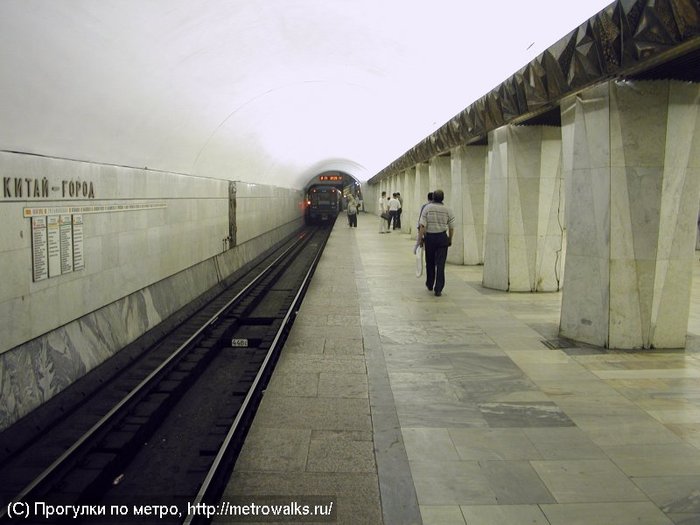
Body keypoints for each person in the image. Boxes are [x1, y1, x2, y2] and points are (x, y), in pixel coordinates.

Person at [418, 190, 455, 297]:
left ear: (433, 197)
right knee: (440, 264)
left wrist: (420, 239)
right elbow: (451, 227)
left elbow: (422, 226)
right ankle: (438, 288)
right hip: (442, 238)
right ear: (443, 198)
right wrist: (450, 239)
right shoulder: (448, 210)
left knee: (429, 262)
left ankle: (430, 283)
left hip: (430, 238)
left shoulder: (427, 208)